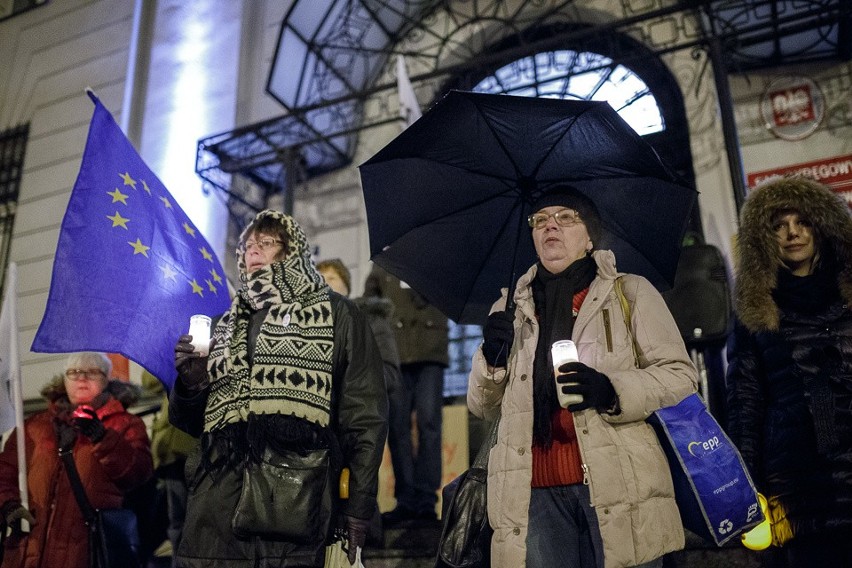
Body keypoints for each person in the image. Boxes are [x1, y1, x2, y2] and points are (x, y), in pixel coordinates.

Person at [469, 185, 697, 568]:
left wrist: (612, 390)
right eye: (540, 220)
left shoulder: (630, 292)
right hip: (532, 493)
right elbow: (483, 405)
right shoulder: (509, 309)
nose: (550, 226)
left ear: (589, 237)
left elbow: (680, 378)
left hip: (620, 487)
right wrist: (492, 356)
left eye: (565, 217)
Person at [169, 210, 388, 567]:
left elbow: (365, 419)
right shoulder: (226, 323)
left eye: (266, 242)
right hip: (213, 518)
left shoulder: (338, 315)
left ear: (292, 251)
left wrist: (359, 506)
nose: (252, 250)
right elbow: (195, 426)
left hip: (292, 512)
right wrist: (191, 386)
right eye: (248, 245)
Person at [725, 175, 852, 567]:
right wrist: (746, 485)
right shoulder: (755, 311)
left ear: (823, 226)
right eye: (779, 226)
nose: (792, 233)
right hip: (795, 478)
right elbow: (746, 402)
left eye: (803, 222)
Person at [0, 352, 154, 568]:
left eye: (92, 372)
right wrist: (8, 505)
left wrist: (102, 437)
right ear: (64, 380)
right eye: (74, 372)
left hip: (88, 549)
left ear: (106, 379)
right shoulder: (35, 426)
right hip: (31, 549)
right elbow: (5, 471)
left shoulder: (126, 424)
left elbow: (137, 473)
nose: (82, 378)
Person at [363, 264, 449, 524]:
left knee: (429, 423)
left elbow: (449, 292)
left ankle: (426, 498)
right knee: (397, 426)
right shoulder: (384, 262)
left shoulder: (434, 259)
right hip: (396, 351)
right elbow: (369, 299)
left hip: (431, 351)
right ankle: (406, 498)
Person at [143, 371, 198, 567]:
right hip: (171, 454)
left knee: (195, 522)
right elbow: (149, 383)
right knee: (176, 523)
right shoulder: (176, 353)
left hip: (194, 448)